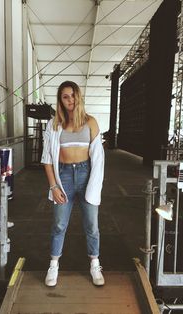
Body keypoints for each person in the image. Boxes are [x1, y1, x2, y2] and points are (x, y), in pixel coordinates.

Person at [41, 81, 105, 287]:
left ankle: (95, 264)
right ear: (60, 100)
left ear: (79, 96)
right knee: (59, 224)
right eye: (65, 97)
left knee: (92, 226)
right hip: (64, 176)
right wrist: (54, 186)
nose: (70, 100)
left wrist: (94, 184)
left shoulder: (91, 122)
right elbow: (47, 159)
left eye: (73, 95)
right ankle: (53, 265)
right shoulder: (54, 124)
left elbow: (99, 158)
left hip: (87, 175)